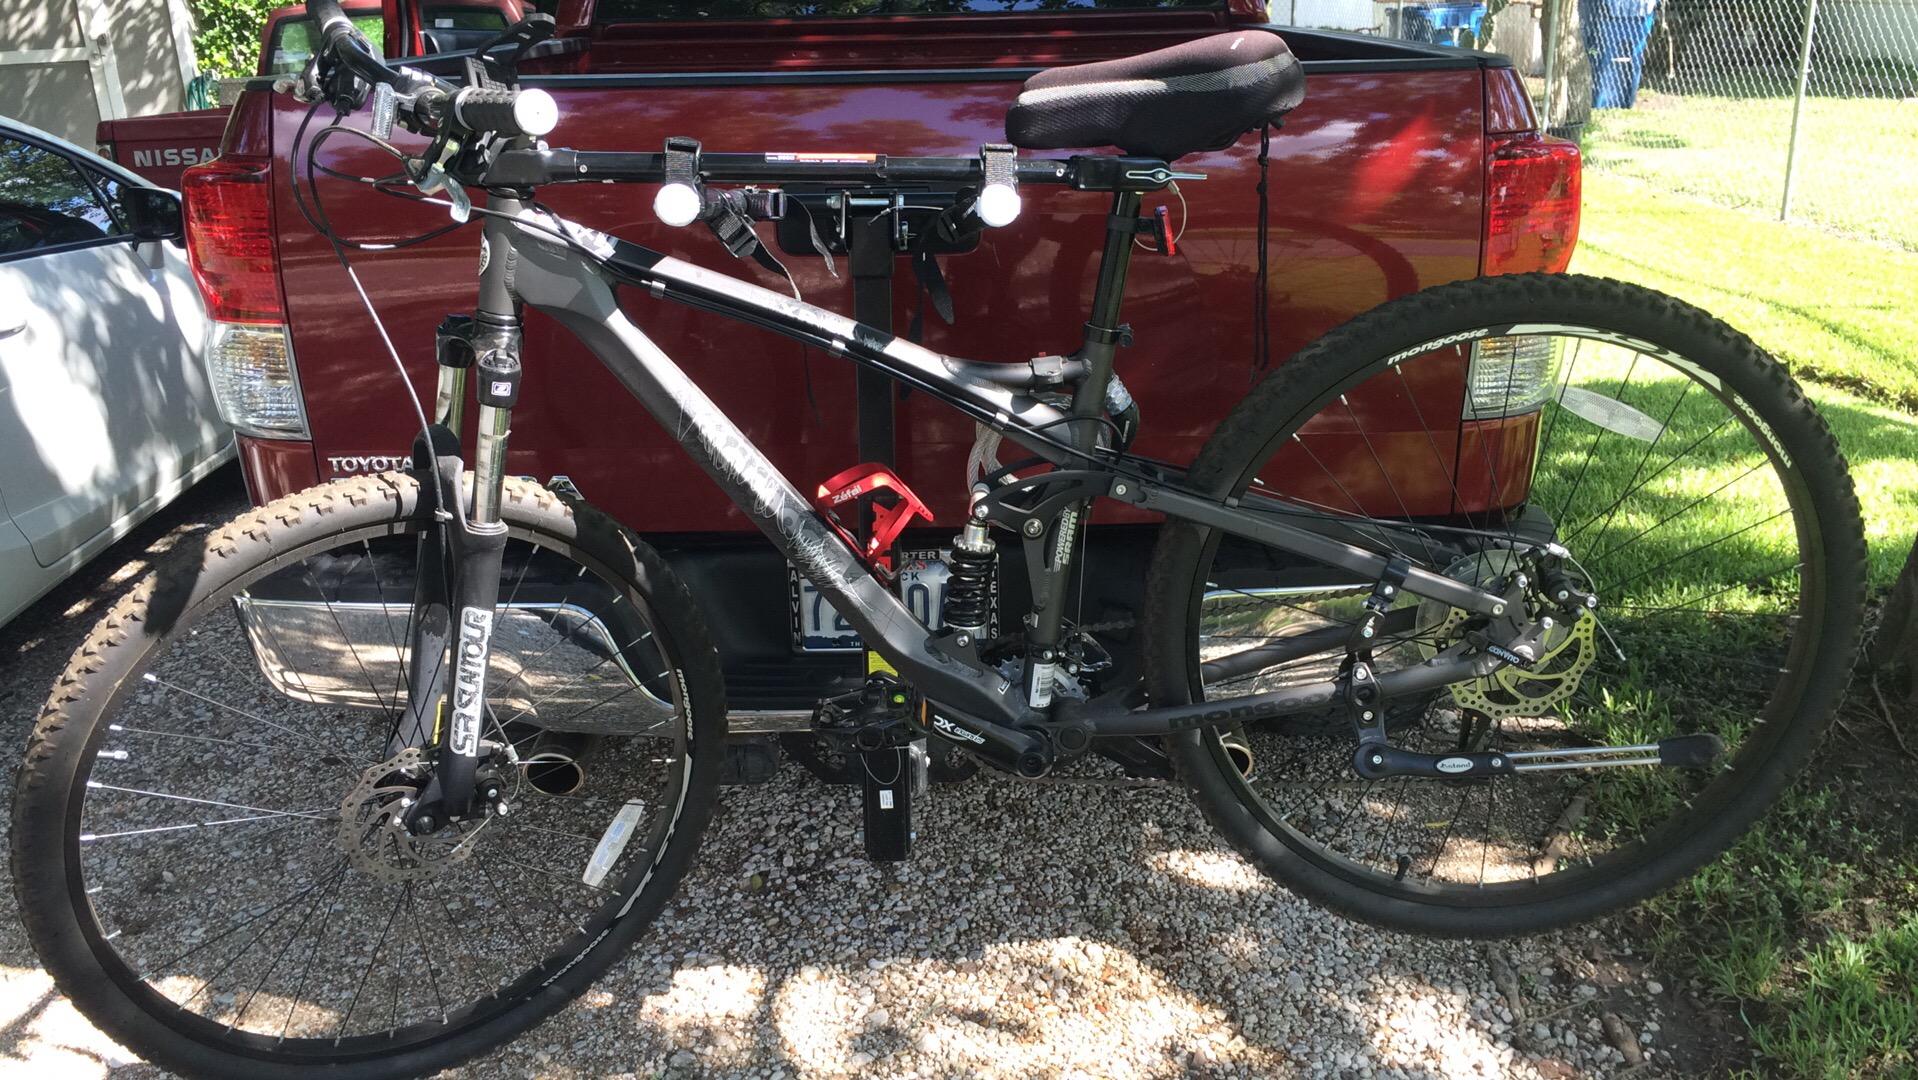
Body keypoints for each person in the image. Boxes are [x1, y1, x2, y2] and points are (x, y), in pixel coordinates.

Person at [1580, 0, 1659, 108]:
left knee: (1634, 59)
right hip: (1609, 10)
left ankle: (1626, 101)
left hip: (1642, 10)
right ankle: (1603, 102)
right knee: (1605, 58)